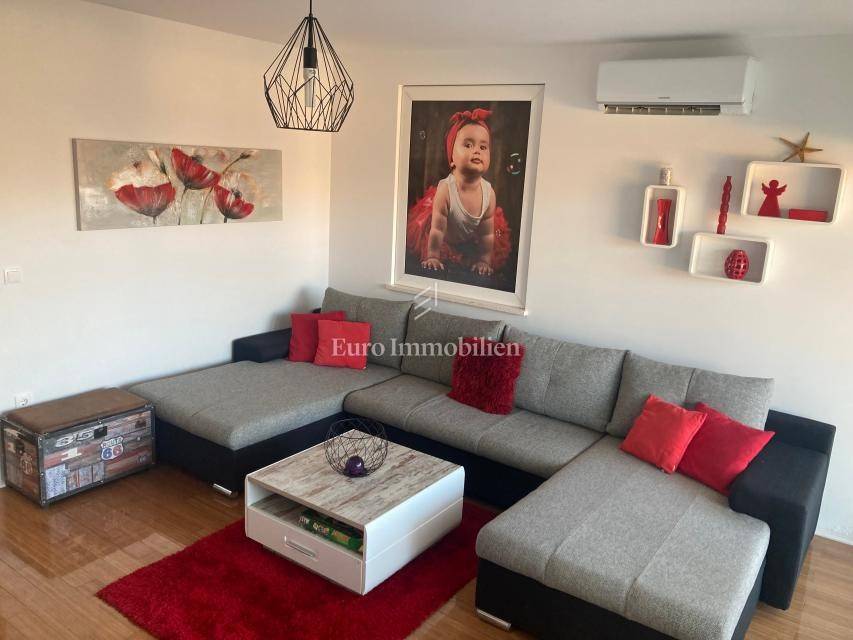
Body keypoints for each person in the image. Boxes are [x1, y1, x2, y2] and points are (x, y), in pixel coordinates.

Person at [406, 108, 511, 276]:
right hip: (444, 237)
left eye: (483, 147)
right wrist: (433, 256)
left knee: (488, 236)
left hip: (468, 238)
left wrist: (484, 260)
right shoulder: (446, 190)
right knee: (430, 229)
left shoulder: (489, 194)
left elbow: (486, 234)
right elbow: (437, 230)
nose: (477, 150)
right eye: (468, 145)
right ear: (452, 159)